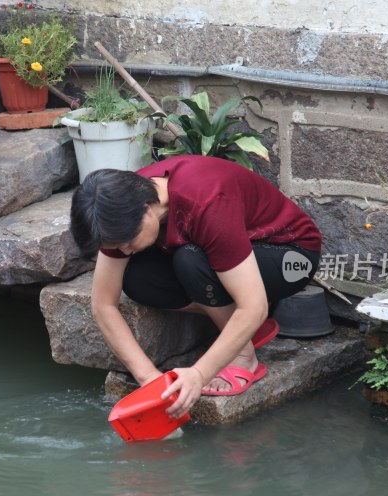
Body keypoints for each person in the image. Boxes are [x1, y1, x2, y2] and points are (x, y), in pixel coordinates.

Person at [70, 155, 322, 419]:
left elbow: (254, 305)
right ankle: (239, 323)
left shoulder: (206, 201)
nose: (124, 250)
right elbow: (103, 304)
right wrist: (149, 378)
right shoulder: (121, 207)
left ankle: (244, 354)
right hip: (236, 258)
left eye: (127, 241)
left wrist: (199, 374)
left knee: (191, 260)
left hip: (292, 257)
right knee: (138, 279)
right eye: (117, 247)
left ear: (146, 209)